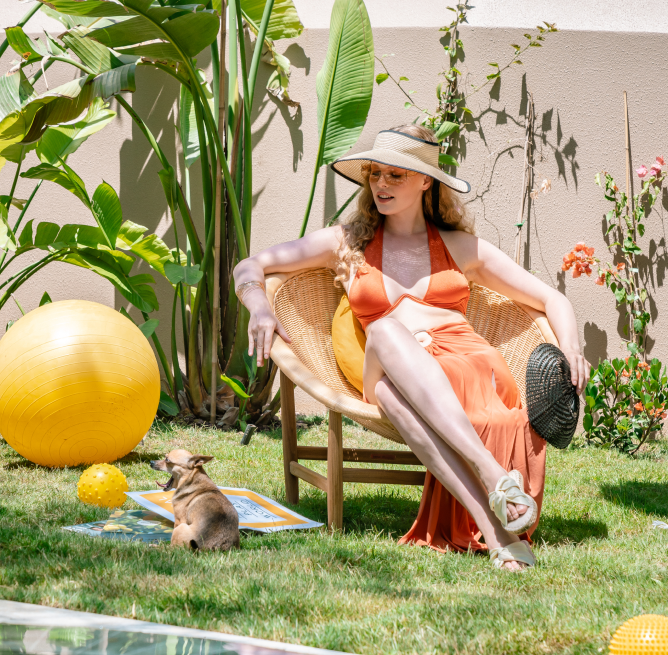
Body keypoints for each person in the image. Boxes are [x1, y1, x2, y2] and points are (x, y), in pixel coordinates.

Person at [233, 126, 587, 571]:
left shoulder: (459, 247)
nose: (381, 184)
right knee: (383, 332)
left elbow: (552, 299)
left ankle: (495, 532)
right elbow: (250, 264)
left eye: (396, 175)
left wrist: (571, 348)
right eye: (375, 174)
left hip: (469, 369)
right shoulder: (346, 245)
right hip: (392, 361)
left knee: (388, 394)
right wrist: (260, 308)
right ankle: (493, 475)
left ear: (426, 181)